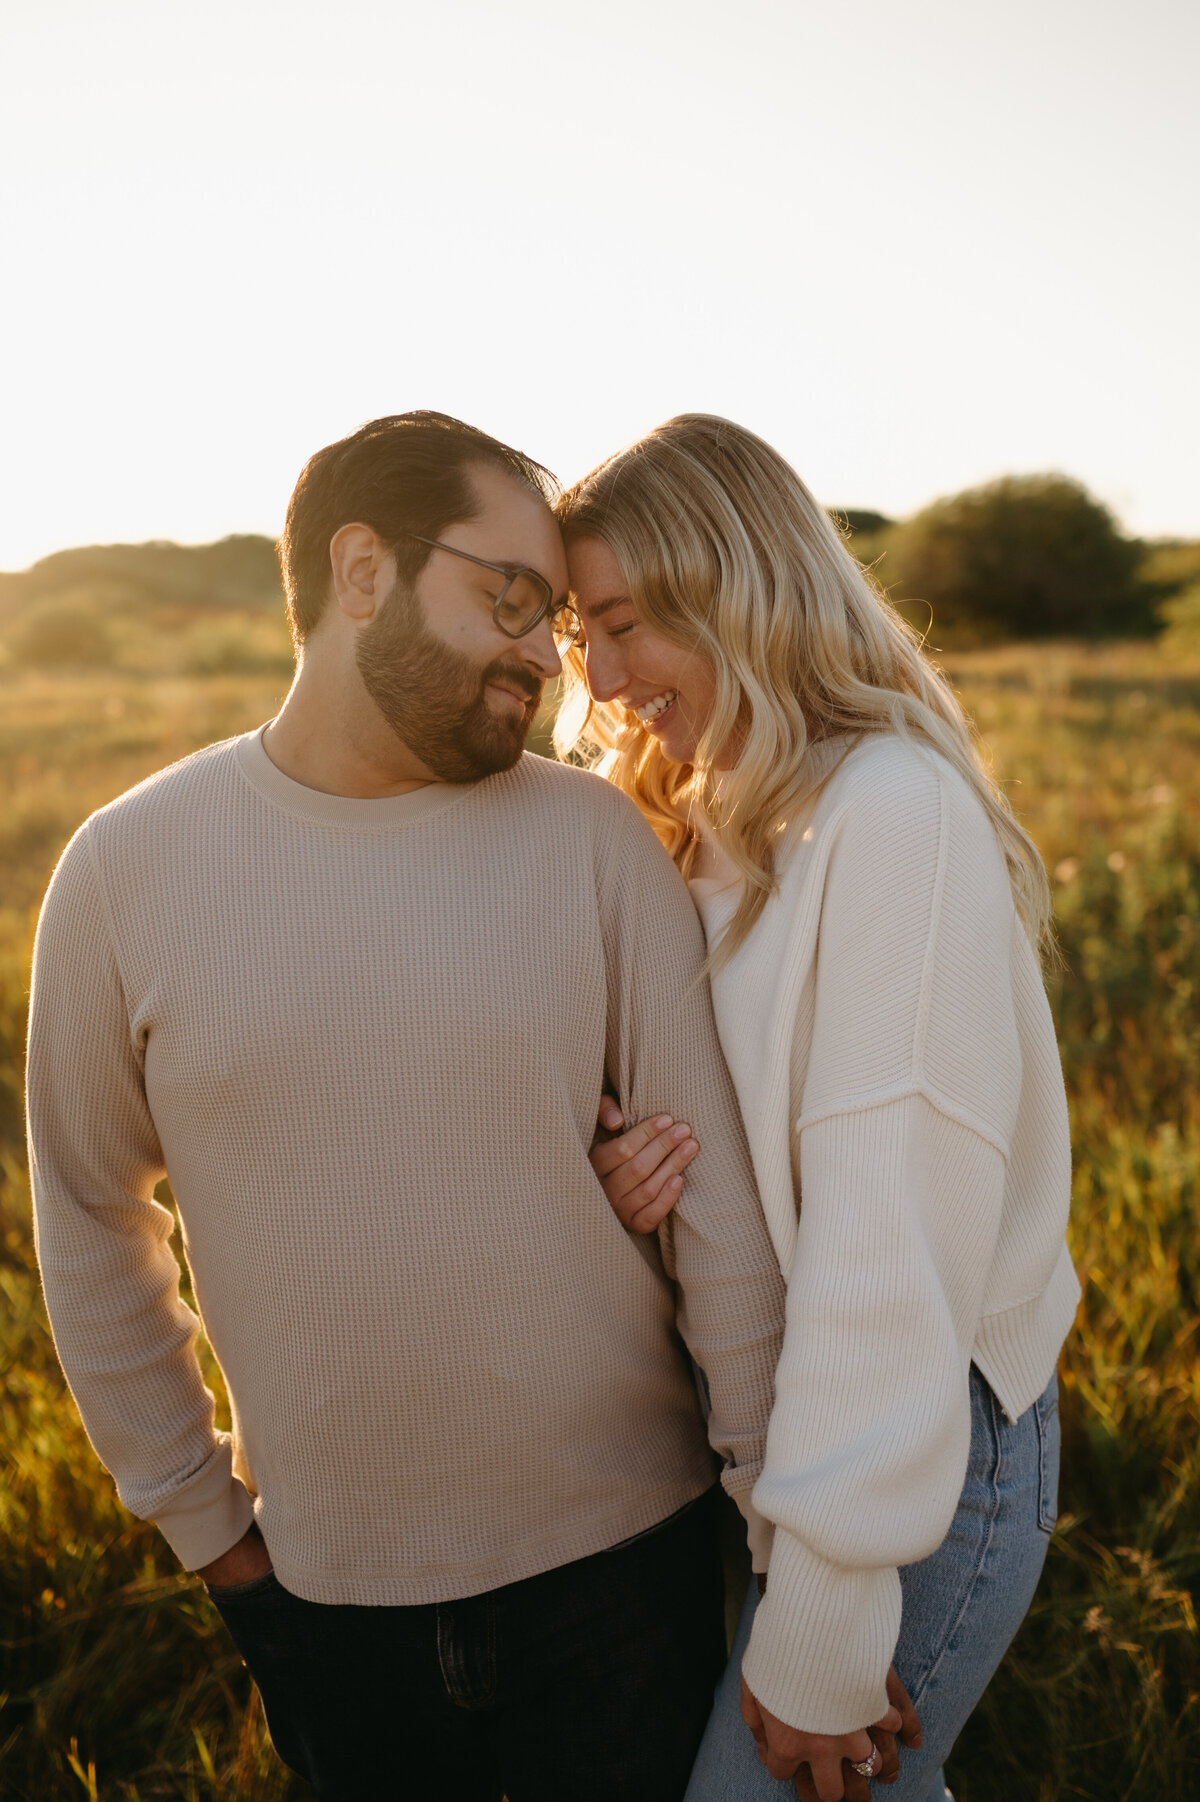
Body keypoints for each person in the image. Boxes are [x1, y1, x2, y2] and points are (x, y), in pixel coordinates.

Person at [26, 411, 803, 1802]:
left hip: (635, 1573)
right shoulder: (127, 870)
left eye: (555, 620)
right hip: (328, 1608)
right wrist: (214, 1536)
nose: (542, 655)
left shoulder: (592, 845)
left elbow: (720, 1216)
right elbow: (89, 1222)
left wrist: (779, 1544)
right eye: (510, 596)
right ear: (363, 568)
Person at [560, 414, 1080, 1802]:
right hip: (779, 1436)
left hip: (912, 1454)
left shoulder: (888, 812)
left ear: (727, 583)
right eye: (577, 636)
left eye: (623, 624)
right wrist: (631, 1177)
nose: (602, 681)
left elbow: (887, 1240)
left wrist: (829, 1617)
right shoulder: (709, 816)